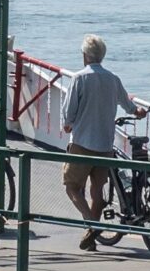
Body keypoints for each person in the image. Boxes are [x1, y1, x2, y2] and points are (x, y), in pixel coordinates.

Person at [62, 34, 145, 250]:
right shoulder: (113, 79)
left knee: (72, 187)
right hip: (105, 144)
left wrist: (68, 124)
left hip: (82, 143)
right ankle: (90, 239)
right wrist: (138, 111)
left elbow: (69, 112)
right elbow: (129, 106)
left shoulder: (79, 78)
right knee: (97, 191)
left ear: (85, 56)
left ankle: (92, 224)